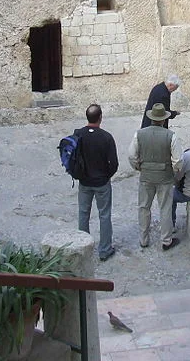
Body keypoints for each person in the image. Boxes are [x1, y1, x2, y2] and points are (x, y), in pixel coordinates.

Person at [128, 103, 183, 251]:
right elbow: (178, 160)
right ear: (164, 120)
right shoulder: (171, 136)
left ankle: (143, 239)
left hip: (146, 176)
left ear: (151, 118)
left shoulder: (139, 134)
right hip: (165, 177)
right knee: (165, 208)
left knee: (144, 207)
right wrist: (175, 172)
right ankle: (166, 240)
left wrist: (138, 167)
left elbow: (131, 155)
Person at [75, 104, 119, 261]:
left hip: (84, 181)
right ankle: (105, 249)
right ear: (100, 117)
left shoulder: (78, 134)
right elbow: (114, 163)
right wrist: (106, 176)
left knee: (83, 213)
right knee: (104, 215)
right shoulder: (106, 137)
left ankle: (82, 248)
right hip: (101, 182)